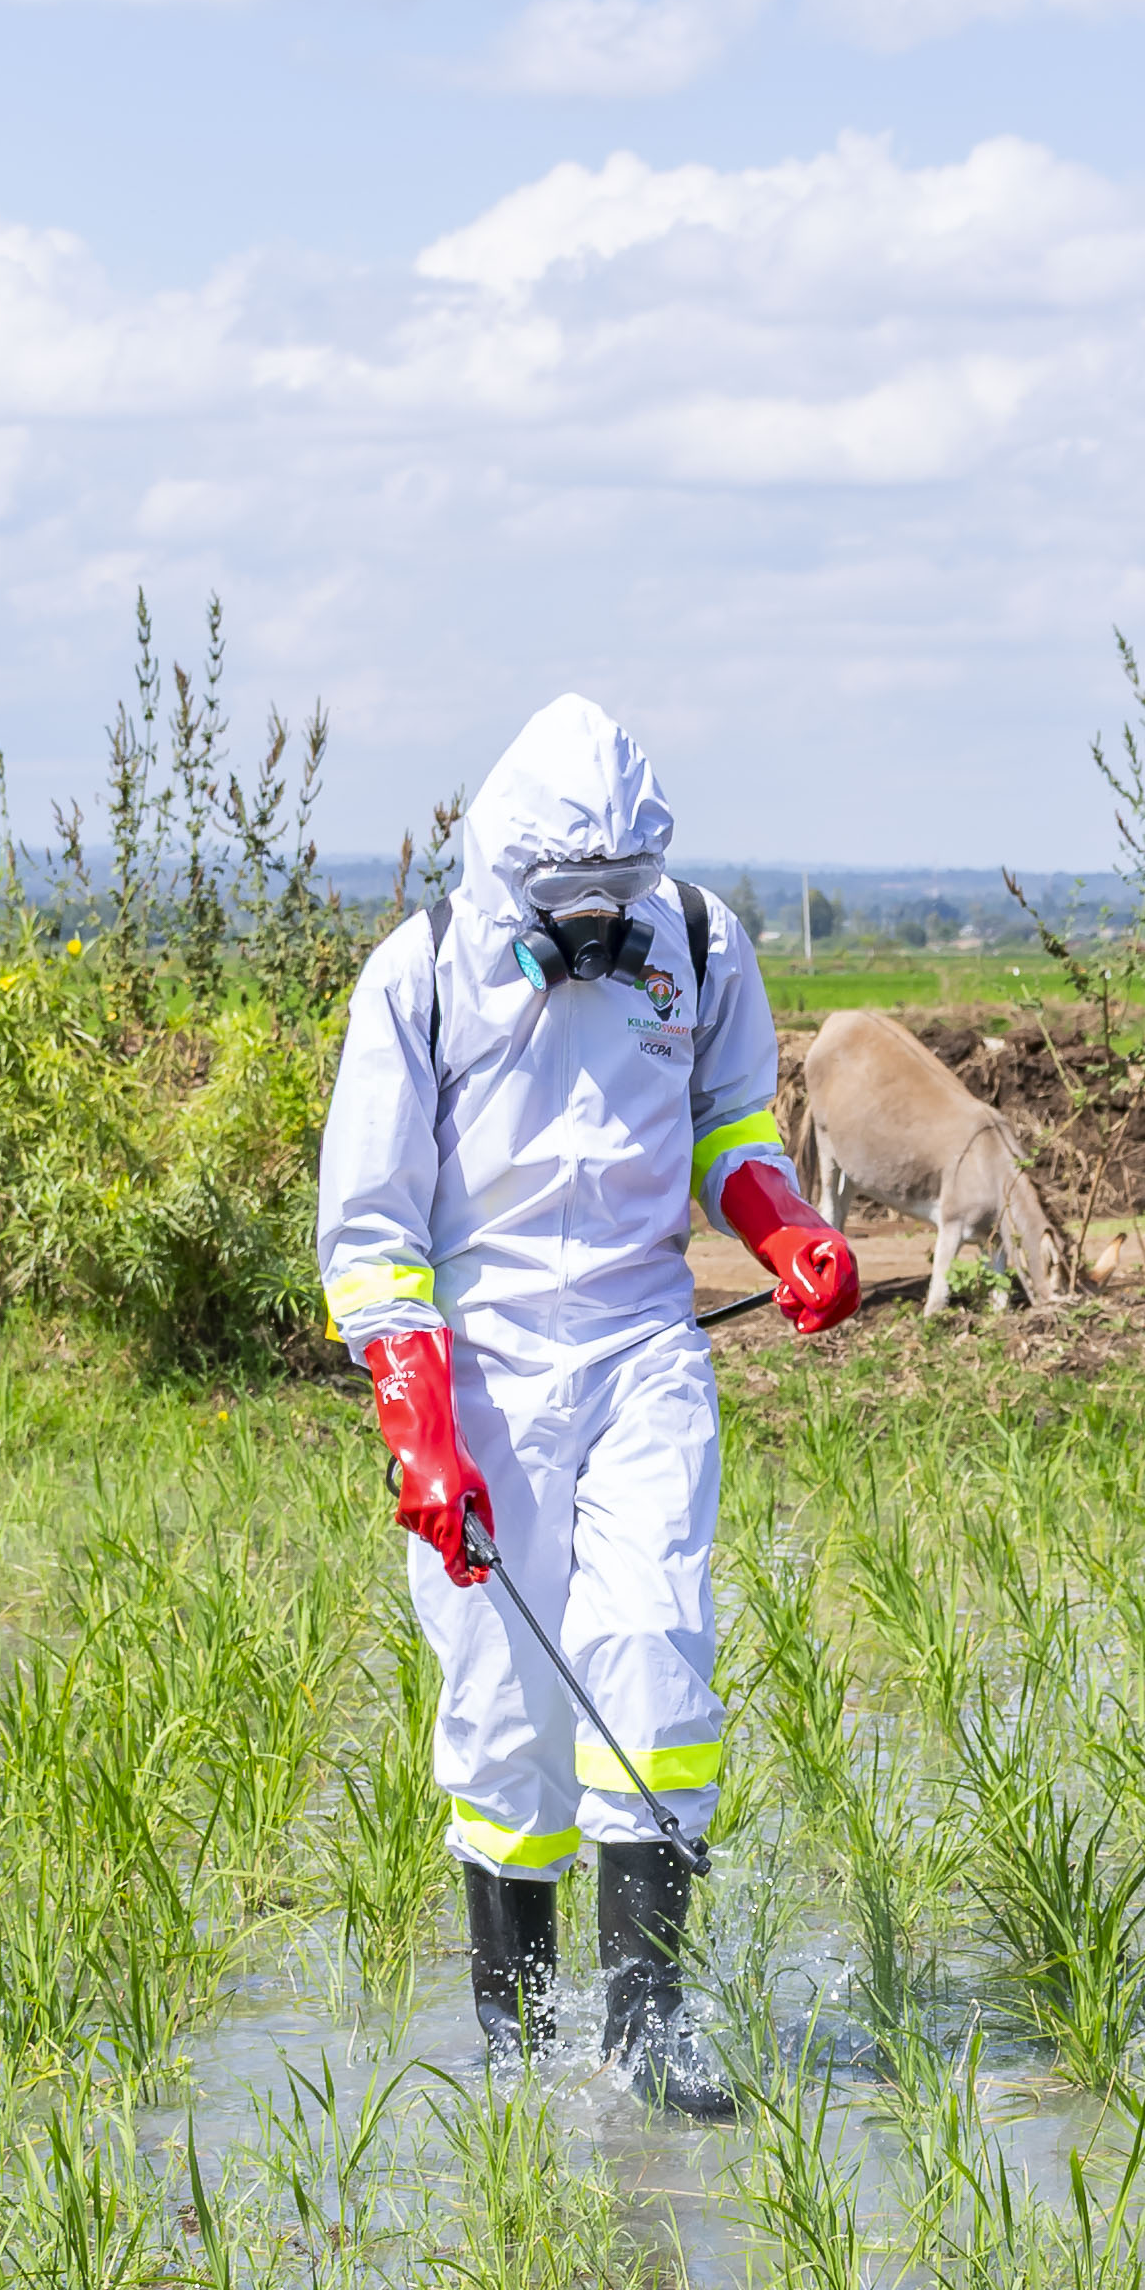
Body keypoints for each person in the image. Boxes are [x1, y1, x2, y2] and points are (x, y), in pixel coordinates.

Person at [315, 694, 861, 2115]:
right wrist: (418, 1429)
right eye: (574, 905)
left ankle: (647, 2027)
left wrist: (784, 1226)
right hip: (478, 1366)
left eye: (618, 901)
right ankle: (516, 2046)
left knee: (655, 1651)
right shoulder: (420, 973)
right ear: (507, 869)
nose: (601, 929)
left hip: (639, 1342)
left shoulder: (701, 937)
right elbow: (370, 1228)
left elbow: (732, 1126)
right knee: (502, 1711)